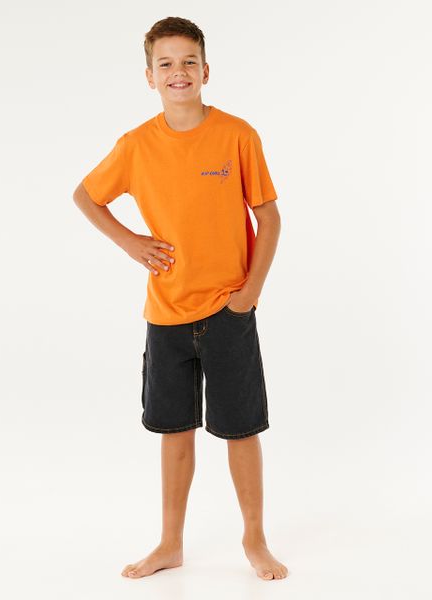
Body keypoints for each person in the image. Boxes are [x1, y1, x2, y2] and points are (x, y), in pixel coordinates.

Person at [73, 16, 288, 582]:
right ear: (149, 76)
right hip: (166, 313)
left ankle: (254, 539)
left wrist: (249, 294)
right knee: (174, 430)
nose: (178, 72)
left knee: (241, 429)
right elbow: (86, 196)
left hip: (229, 310)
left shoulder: (238, 135)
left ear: (206, 71)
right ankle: (170, 543)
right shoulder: (136, 145)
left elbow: (268, 217)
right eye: (165, 63)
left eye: (189, 61)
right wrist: (130, 242)